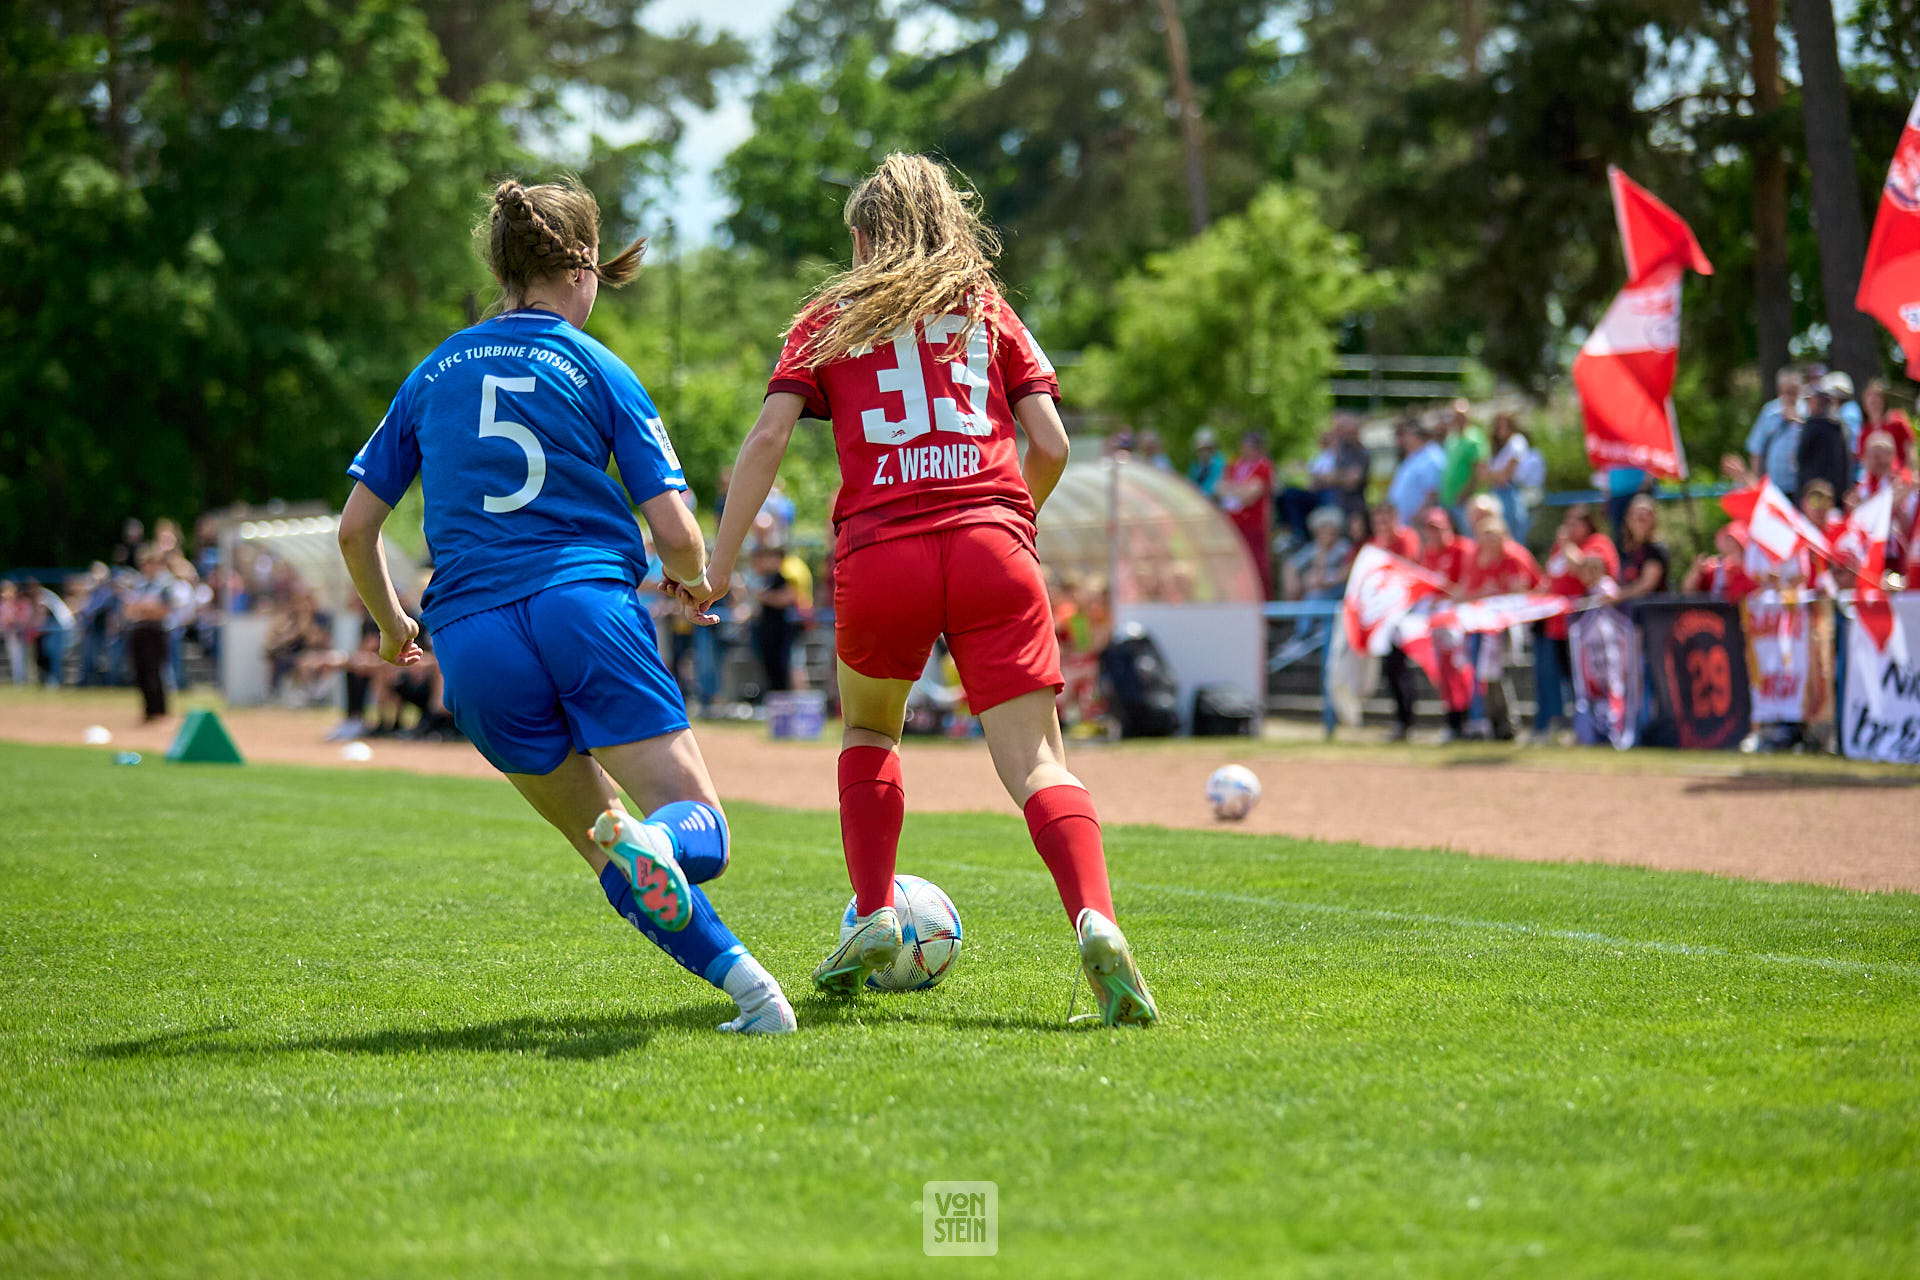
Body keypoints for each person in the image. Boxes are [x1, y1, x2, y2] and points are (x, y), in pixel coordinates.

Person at [683, 153, 1156, 1026]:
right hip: (991, 544)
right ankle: (1095, 918)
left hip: (880, 553)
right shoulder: (988, 308)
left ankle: (874, 912)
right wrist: (1014, 519)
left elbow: (765, 441)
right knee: (1040, 761)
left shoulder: (829, 315)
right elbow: (1048, 441)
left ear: (863, 236)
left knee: (869, 726)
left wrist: (716, 563)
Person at [336, 175, 794, 1035]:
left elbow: (357, 530)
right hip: (580, 605)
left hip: (469, 639)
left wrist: (396, 623)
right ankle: (668, 853)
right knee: (696, 831)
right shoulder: (596, 365)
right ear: (582, 269)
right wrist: (695, 582)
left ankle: (753, 996)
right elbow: (677, 529)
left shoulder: (433, 371)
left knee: (606, 846)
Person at [1532, 505, 1617, 743]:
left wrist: (1566, 544)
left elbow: (1583, 570)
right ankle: (1564, 726)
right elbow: (1551, 579)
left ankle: (1590, 728)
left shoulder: (1597, 543)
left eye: (1574, 523)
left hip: (1586, 626)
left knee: (1582, 680)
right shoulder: (1560, 548)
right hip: (1557, 625)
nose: (1568, 527)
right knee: (1561, 679)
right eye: (1566, 522)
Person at [1458, 511, 1544, 740]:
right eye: (1484, 535)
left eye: (1494, 534)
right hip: (1486, 625)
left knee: (1501, 671)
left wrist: (1493, 595)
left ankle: (1509, 723)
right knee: (1488, 673)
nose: (1489, 540)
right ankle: (1496, 722)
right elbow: (1466, 593)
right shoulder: (1476, 556)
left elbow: (1522, 591)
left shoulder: (1514, 556)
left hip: (1519, 622)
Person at [1219, 431, 1276, 596]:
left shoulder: (1263, 466)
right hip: (1233, 523)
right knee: (1234, 566)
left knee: (1256, 566)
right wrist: (1240, 490)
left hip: (1254, 524)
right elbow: (1220, 488)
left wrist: (1233, 490)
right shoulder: (1234, 465)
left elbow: (1252, 494)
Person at [1482, 412, 1542, 543]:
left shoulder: (1517, 442)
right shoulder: (1495, 446)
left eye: (1504, 425)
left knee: (1514, 539)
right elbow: (1484, 475)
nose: (1500, 428)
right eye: (1498, 425)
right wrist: (1494, 475)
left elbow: (1504, 477)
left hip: (1512, 494)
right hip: (1496, 494)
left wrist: (1492, 474)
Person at [1747, 368, 1804, 498]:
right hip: (1775, 485)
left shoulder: (1807, 412)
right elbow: (1756, 449)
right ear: (1780, 391)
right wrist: (1756, 482)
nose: (1791, 396)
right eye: (1787, 392)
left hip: (1800, 484)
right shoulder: (1769, 412)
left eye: (1794, 391)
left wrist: (1799, 420)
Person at [1796, 381, 1853, 508]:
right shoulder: (1837, 426)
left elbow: (1800, 457)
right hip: (1822, 491)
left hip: (1821, 491)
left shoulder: (1815, 426)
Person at [1612, 493, 1670, 605]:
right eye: (1636, 514)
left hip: (1652, 611)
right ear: (1628, 518)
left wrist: (1619, 595)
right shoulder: (1626, 549)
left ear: (1653, 519)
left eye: (1645, 515)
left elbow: (1647, 584)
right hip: (1630, 611)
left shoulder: (1656, 549)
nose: (1640, 518)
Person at [1387, 419, 1445, 524]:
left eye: (1407, 435)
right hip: (1404, 522)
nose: (1404, 440)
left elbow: (1434, 491)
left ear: (1416, 436)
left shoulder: (1432, 456)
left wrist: (1420, 513)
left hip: (1421, 521)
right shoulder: (1413, 455)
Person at [1682, 524, 1758, 603]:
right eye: (1728, 539)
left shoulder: (1754, 570)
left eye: (1735, 541)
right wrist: (1695, 571)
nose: (1732, 544)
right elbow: (1688, 592)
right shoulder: (1714, 568)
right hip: (1718, 613)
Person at [1438, 399, 1488, 516]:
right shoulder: (1451, 438)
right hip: (1448, 500)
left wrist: (1465, 495)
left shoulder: (1474, 438)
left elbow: (1479, 471)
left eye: (1461, 415)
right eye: (1455, 415)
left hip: (1465, 501)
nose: (1457, 419)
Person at [1860, 377, 1914, 471]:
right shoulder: (1864, 430)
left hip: (1899, 478)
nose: (1874, 401)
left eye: (1877, 396)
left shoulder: (1897, 422)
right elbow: (1865, 462)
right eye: (1870, 397)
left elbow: (1910, 452)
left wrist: (1911, 475)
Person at [1186, 427, 1224, 499]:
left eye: (1206, 449)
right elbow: (1190, 483)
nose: (1203, 452)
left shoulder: (1219, 463)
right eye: (1200, 449)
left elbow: (1215, 488)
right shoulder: (1195, 465)